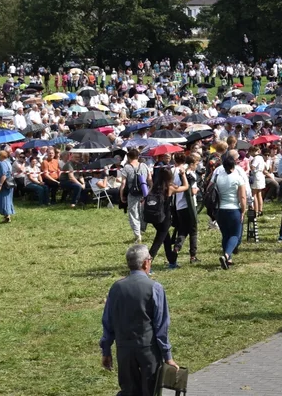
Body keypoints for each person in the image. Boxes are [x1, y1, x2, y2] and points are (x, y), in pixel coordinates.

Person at [99, 244, 178, 396]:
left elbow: (108, 323)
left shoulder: (116, 288)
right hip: (148, 351)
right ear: (145, 263)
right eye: (150, 259)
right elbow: (161, 326)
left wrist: (106, 350)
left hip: (124, 351)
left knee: (128, 391)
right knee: (150, 391)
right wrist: (168, 357)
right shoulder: (155, 288)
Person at [213, 151, 246, 270]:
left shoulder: (218, 177)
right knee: (235, 235)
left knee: (225, 235)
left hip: (220, 209)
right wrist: (243, 210)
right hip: (233, 209)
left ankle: (229, 258)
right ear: (234, 166)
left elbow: (210, 188)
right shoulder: (238, 177)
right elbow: (242, 197)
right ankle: (226, 255)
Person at [119, 148, 150, 243]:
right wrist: (149, 191)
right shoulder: (144, 165)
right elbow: (150, 180)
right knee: (143, 213)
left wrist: (121, 196)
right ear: (138, 156)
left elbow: (123, 184)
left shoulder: (127, 167)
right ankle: (141, 230)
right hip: (144, 193)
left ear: (128, 157)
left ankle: (138, 235)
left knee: (133, 214)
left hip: (132, 194)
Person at [0, 149, 15, 223]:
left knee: (3, 200)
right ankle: (6, 216)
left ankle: (7, 215)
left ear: (1, 156)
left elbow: (4, 175)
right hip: (9, 184)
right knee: (7, 200)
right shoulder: (8, 162)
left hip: (4, 184)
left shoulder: (2, 164)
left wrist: (0, 185)